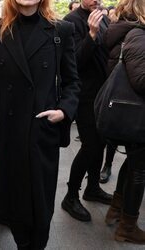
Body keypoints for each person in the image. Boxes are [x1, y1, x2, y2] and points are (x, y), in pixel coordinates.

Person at [0, 0, 81, 248]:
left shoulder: (61, 30)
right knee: (15, 206)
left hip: (41, 131)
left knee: (41, 205)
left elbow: (72, 82)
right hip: (7, 134)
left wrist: (63, 111)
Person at [61, 0, 112, 222]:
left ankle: (92, 188)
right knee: (90, 144)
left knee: (100, 142)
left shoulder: (104, 17)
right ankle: (70, 196)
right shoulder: (70, 22)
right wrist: (91, 35)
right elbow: (74, 62)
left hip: (103, 93)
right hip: (83, 96)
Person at [104, 0, 145, 244]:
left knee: (133, 163)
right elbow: (141, 79)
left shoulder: (125, 31)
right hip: (137, 116)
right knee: (139, 170)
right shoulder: (138, 35)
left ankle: (117, 208)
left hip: (131, 114)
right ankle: (127, 226)